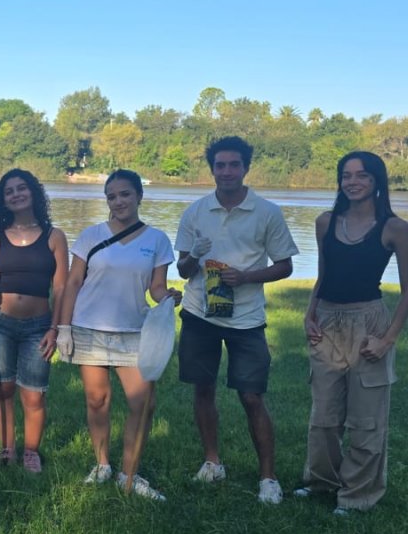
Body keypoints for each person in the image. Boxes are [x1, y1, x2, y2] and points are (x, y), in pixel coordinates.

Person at [175, 136, 298, 505]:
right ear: (212, 168)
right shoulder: (195, 212)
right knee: (203, 388)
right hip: (200, 314)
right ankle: (212, 462)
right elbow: (182, 271)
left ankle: (268, 478)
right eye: (220, 165)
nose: (226, 171)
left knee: (251, 395)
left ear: (245, 168)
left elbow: (286, 265)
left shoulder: (267, 212)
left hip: (246, 319)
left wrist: (246, 277)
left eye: (234, 165)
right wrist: (194, 256)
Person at [56, 169, 180, 500]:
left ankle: (130, 474)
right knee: (97, 400)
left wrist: (167, 296)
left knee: (143, 403)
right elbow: (73, 282)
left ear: (139, 196)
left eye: (125, 194)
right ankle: (102, 465)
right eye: (111, 196)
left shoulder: (157, 240)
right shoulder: (90, 235)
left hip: (134, 333)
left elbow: (155, 288)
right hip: (90, 329)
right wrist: (63, 328)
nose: (118, 201)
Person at [298, 152, 408, 514]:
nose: (353, 181)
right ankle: (321, 482)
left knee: (366, 418)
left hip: (369, 323)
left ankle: (357, 495)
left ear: (377, 180)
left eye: (362, 175)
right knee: (324, 415)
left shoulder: (395, 227)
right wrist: (310, 314)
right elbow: (323, 274)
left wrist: (387, 339)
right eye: (346, 175)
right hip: (327, 321)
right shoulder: (325, 222)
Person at [0, 169, 67, 471]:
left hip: (38, 327)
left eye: (22, 189)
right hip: (1, 322)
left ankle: (31, 451)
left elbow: (60, 287)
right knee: (2, 389)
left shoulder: (54, 236)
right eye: (9, 191)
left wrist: (55, 329)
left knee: (33, 393)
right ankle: (8, 447)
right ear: (3, 200)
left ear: (34, 193)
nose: (16, 195)